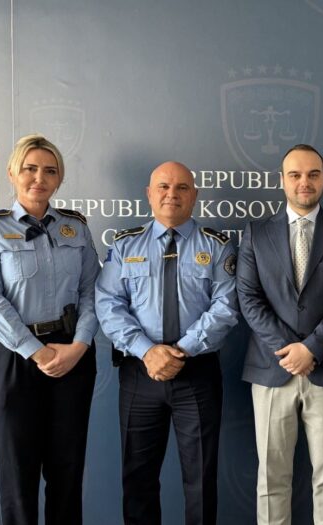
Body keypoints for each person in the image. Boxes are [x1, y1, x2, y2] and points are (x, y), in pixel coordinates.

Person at [0, 134, 100, 525]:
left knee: (67, 472)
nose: (39, 178)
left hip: (72, 355)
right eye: (30, 168)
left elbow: (93, 290)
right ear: (12, 173)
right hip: (14, 358)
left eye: (49, 171)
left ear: (59, 179)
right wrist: (35, 351)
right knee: (17, 474)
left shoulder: (75, 228)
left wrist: (80, 344)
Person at [95, 161, 238, 525]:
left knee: (200, 479)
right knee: (137, 478)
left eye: (181, 187)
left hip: (197, 372)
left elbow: (226, 306)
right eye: (163, 186)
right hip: (139, 373)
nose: (172, 194)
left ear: (194, 195)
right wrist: (147, 351)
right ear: (149, 193)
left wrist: (182, 350)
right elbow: (108, 304)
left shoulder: (217, 246)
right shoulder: (125, 245)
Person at [237, 144, 323, 524]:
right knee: (272, 476)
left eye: (312, 174)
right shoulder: (256, 234)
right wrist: (289, 349)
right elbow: (248, 298)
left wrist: (311, 348)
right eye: (295, 175)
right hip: (271, 368)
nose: (304, 182)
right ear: (282, 180)